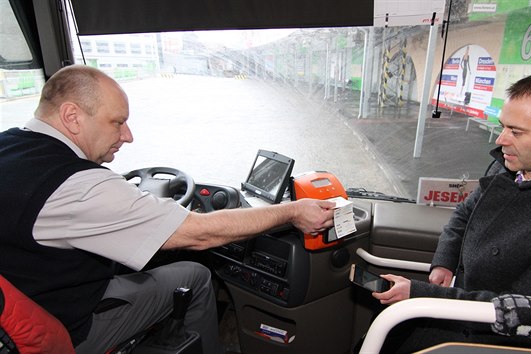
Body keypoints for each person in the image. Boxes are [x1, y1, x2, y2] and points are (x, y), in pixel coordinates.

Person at [0, 64, 335, 354]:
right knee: (196, 276)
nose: (128, 136)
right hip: (72, 326)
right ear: (72, 117)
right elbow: (200, 233)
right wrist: (292, 212)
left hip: (28, 308)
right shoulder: (78, 186)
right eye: (117, 122)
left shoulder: (9, 146)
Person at [372, 71, 531, 352]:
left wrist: (422, 294)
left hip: (489, 340)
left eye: (516, 132)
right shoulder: (508, 166)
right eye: (503, 126)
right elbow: (465, 213)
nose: (502, 140)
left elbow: (522, 314)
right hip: (455, 310)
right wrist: (445, 260)